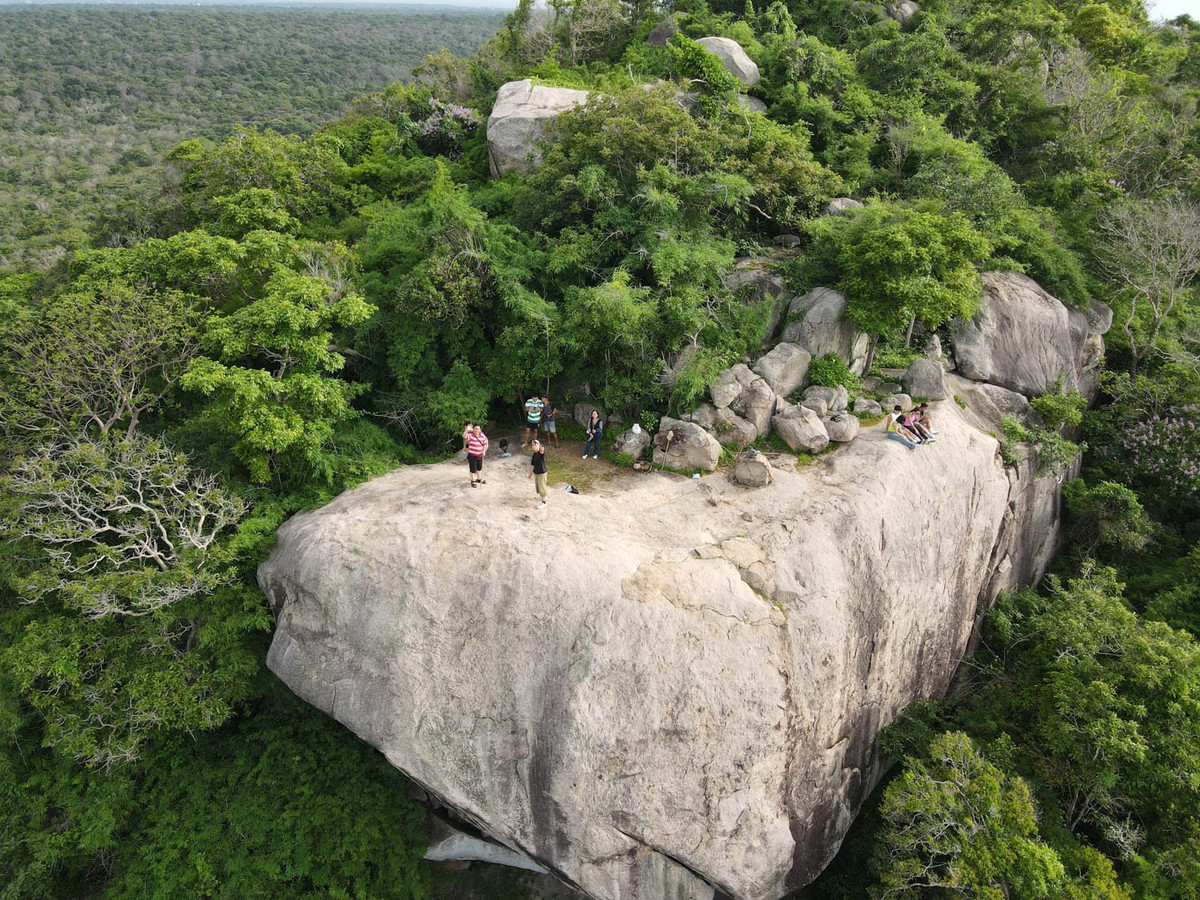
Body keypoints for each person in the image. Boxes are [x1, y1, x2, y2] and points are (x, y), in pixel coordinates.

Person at [528, 439, 548, 509]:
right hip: (537, 473)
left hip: (542, 473)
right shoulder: (534, 455)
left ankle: (544, 502)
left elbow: (542, 452)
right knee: (539, 487)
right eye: (533, 445)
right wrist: (530, 474)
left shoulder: (540, 453)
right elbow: (533, 465)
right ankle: (543, 498)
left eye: (535, 445)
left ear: (539, 446)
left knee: (542, 487)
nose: (534, 446)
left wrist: (542, 450)